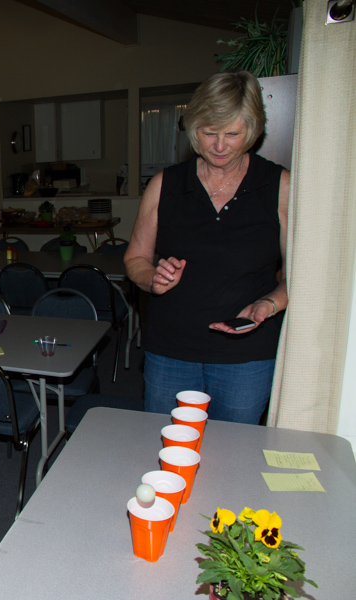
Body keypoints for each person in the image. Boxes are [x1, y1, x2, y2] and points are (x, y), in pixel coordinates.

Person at [124, 71, 290, 424]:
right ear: (193, 128)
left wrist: (269, 303)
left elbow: (303, 274)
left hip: (246, 353)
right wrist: (152, 277)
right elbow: (135, 258)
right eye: (209, 133)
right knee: (169, 447)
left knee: (233, 455)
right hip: (171, 350)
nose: (219, 145)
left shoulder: (279, 186)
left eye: (232, 134)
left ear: (254, 129)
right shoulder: (165, 184)